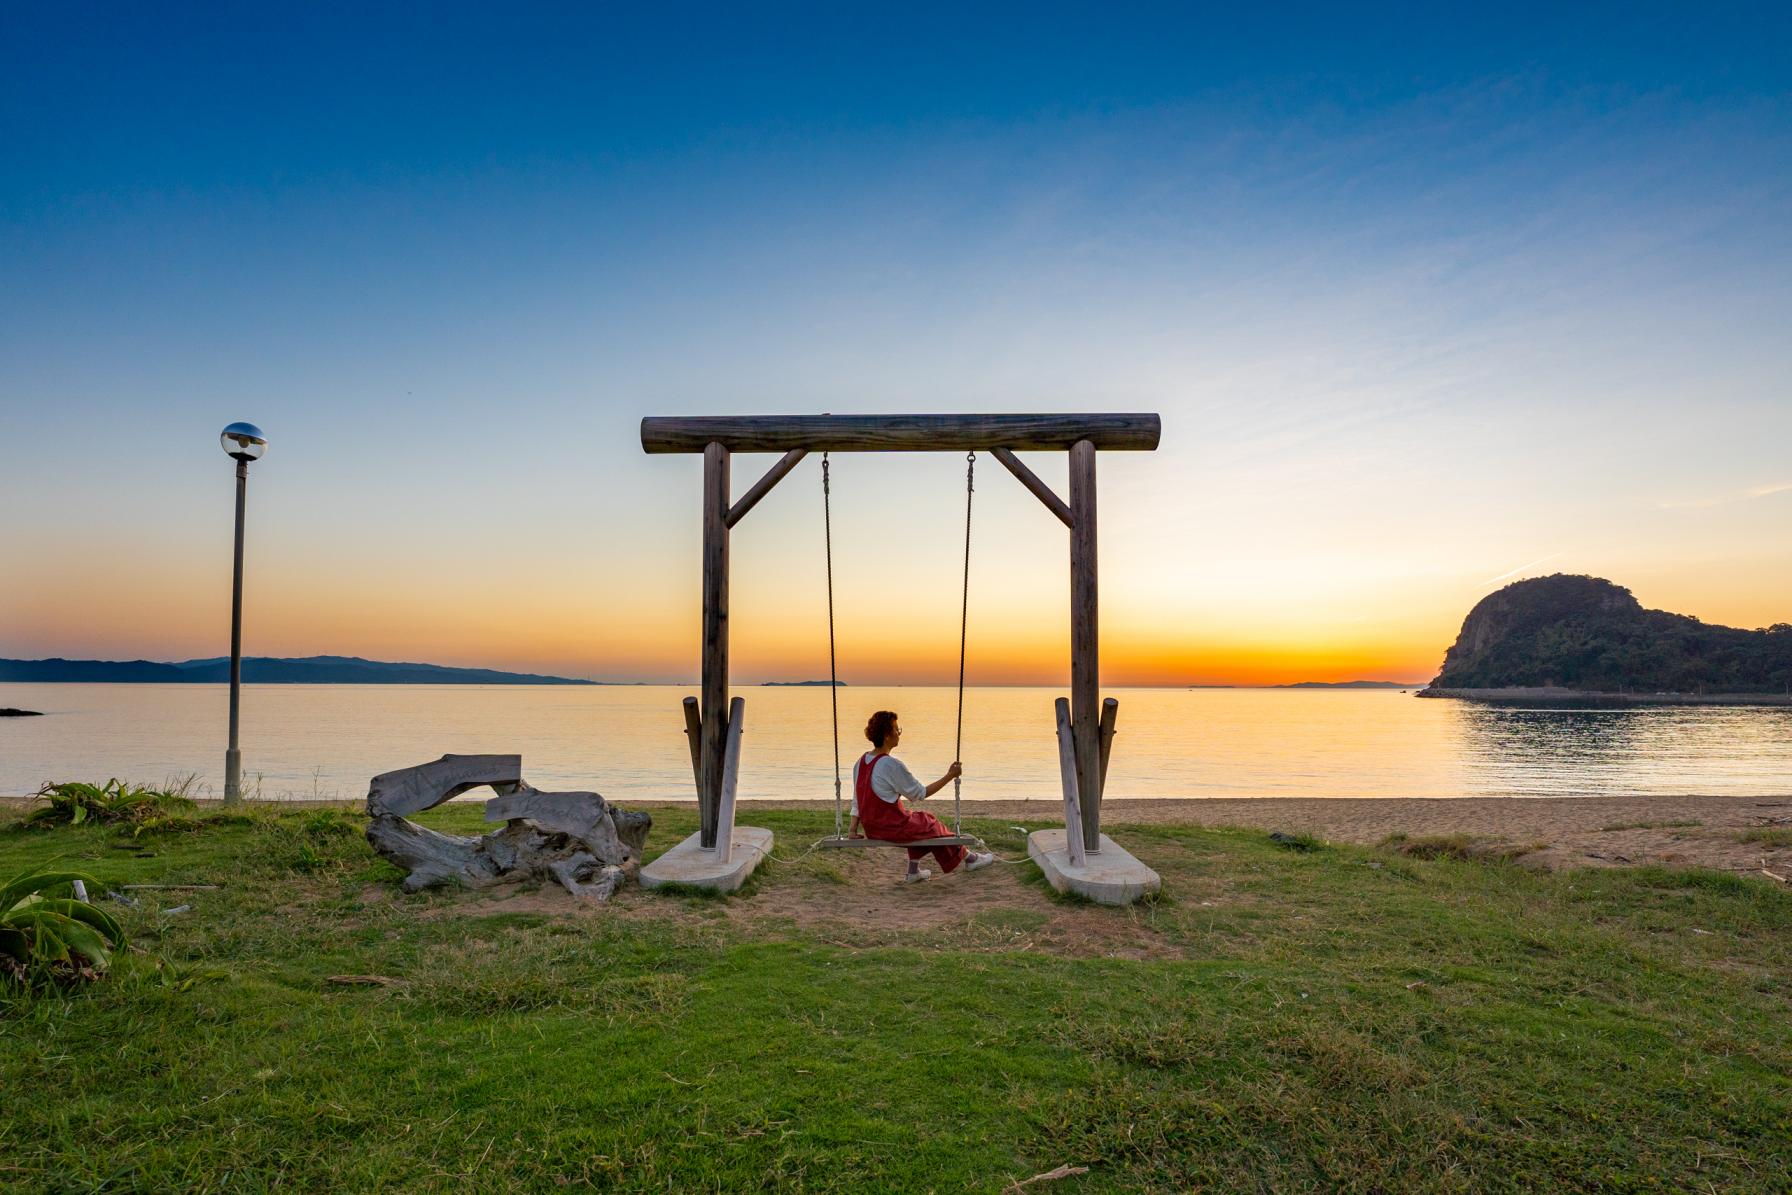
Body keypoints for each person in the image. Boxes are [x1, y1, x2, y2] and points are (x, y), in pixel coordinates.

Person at [850, 709, 994, 882]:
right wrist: (950, 775)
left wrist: (852, 829)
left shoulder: (860, 762)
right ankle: (971, 859)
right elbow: (920, 793)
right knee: (930, 824)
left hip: (873, 829)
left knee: (920, 821)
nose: (899, 733)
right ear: (887, 736)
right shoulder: (890, 765)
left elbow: (857, 801)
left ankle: (913, 872)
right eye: (896, 729)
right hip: (891, 828)